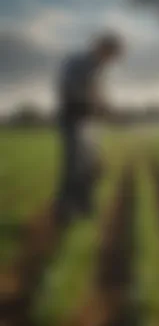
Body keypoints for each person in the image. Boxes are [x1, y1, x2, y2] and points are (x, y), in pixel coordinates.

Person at [54, 33, 123, 225]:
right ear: (101, 48)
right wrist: (94, 101)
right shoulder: (77, 62)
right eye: (111, 55)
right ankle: (64, 209)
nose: (111, 61)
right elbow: (68, 88)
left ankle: (85, 205)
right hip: (73, 119)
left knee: (93, 166)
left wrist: (107, 109)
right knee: (74, 166)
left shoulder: (98, 68)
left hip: (90, 121)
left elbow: (99, 93)